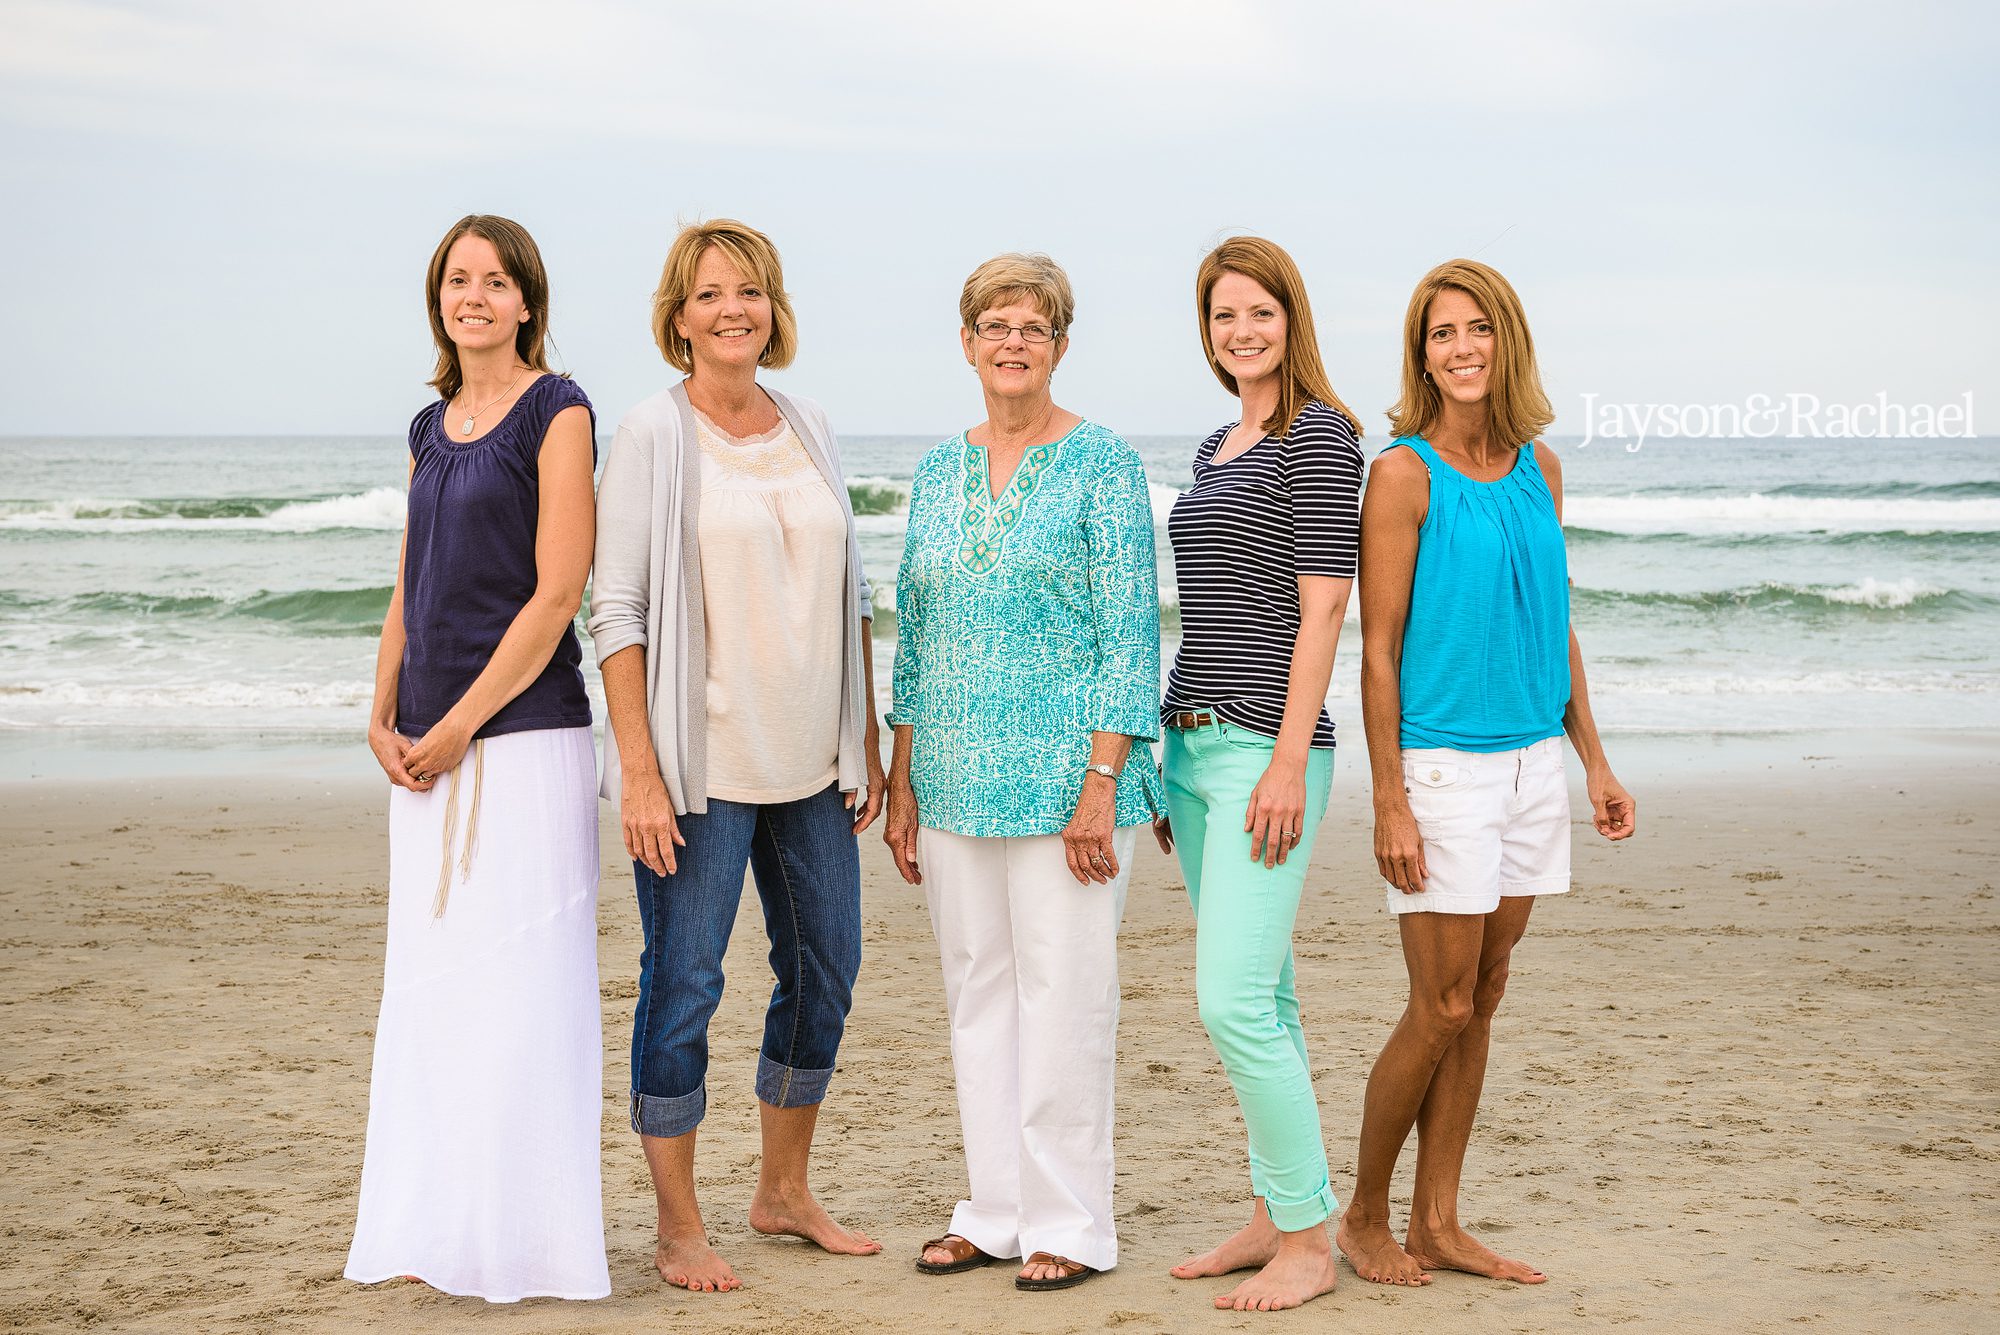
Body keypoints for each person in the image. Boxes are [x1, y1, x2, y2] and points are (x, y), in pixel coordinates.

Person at [588, 219, 886, 1295]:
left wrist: (868, 735)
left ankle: (782, 1193)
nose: (732, 309)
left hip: (812, 764)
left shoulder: (806, 423)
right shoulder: (652, 434)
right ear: (679, 317)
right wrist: (639, 770)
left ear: (772, 309)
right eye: (710, 294)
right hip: (698, 770)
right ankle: (677, 1225)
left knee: (823, 974)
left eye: (749, 291)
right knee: (683, 984)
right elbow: (613, 613)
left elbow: (851, 588)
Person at [1335, 259, 1637, 1288]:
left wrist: (1590, 760)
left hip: (1525, 767)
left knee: (1488, 990)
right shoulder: (1402, 475)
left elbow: (1553, 627)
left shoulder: (1539, 468)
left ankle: (1439, 1221)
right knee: (1440, 1004)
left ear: (1504, 340)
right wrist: (1387, 801)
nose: (1459, 349)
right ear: (1420, 355)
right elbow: (1374, 652)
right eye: (1438, 334)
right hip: (1439, 770)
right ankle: (1364, 1218)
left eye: (1475, 329)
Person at [886, 252, 1163, 1293]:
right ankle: (994, 1211)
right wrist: (902, 777)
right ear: (966, 344)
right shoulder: (931, 471)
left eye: (1033, 328)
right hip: (951, 777)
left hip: (1065, 785)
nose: (1012, 343)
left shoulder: (1101, 464)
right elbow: (913, 631)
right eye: (995, 325)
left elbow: (1129, 637)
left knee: (1065, 998)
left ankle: (1070, 1223)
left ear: (1057, 346)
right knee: (978, 997)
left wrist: (1102, 781)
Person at [345, 214, 607, 1302]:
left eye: (496, 281)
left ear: (527, 302)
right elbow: (412, 580)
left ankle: (528, 1245)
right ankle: (435, 1229)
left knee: (521, 993)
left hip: (525, 741)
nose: (475, 296)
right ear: (438, 300)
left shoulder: (559, 410)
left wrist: (461, 724)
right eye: (458, 280)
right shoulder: (426, 423)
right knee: (437, 993)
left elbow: (556, 596)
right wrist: (384, 712)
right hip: (425, 749)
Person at [1156, 237, 1365, 1312]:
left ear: (1292, 319)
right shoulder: (1214, 447)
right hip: (1189, 746)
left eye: (1259, 312)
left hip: (1260, 752)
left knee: (1230, 1000)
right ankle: (1271, 1210)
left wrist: (1286, 760)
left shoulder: (1319, 437)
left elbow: (1322, 606)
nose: (1241, 331)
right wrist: (1162, 753)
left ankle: (1307, 1244)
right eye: (1222, 316)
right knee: (1266, 999)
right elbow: (1208, 609)